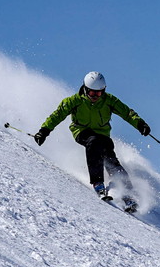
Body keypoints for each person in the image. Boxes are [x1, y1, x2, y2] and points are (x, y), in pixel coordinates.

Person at [34, 71, 151, 205]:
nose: (95, 96)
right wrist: (44, 131)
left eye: (99, 93)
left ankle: (128, 194)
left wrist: (140, 124)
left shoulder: (109, 100)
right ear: (85, 89)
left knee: (111, 160)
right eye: (92, 93)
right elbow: (57, 115)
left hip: (103, 134)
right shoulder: (74, 101)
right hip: (82, 131)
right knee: (93, 142)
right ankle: (98, 183)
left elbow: (127, 113)